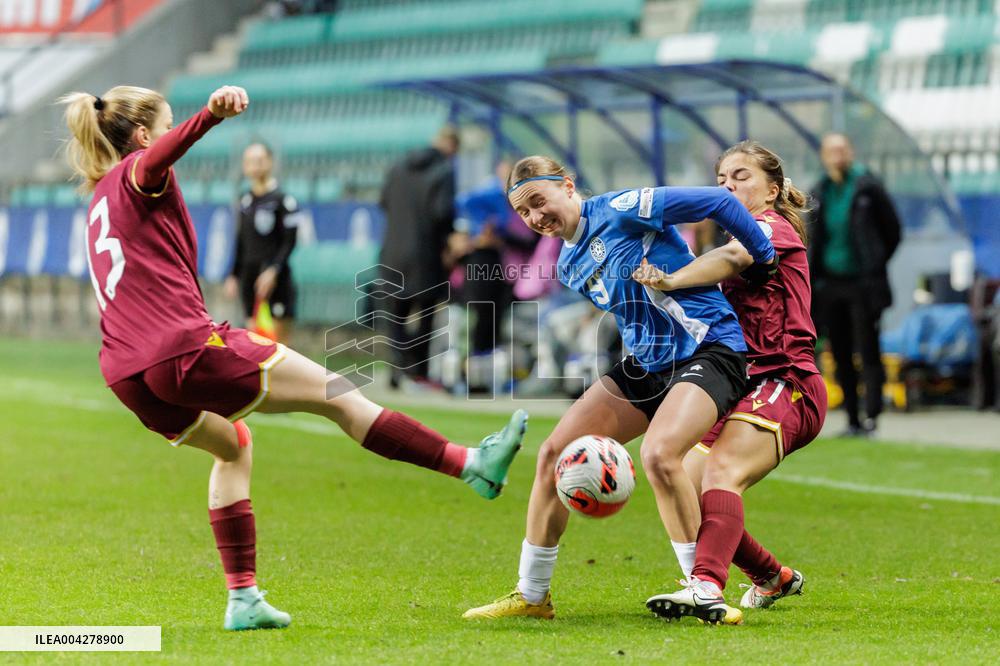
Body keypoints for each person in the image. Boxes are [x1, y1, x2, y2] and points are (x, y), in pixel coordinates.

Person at [61, 85, 527, 631]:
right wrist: (208, 116)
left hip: (127, 373)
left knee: (233, 445)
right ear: (141, 136)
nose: (164, 137)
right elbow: (157, 158)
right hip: (182, 347)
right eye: (163, 126)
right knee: (341, 395)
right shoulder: (140, 169)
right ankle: (471, 464)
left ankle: (243, 599)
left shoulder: (100, 199)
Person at [462, 156, 776, 620]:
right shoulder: (567, 264)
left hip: (709, 348)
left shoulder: (624, 207)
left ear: (567, 186)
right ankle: (532, 595)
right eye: (524, 213)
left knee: (659, 453)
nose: (534, 218)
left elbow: (716, 201)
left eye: (538, 202)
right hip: (647, 364)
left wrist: (762, 258)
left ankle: (703, 590)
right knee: (553, 453)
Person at [634, 141, 828, 624]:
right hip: (744, 386)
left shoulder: (771, 228)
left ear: (773, 189)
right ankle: (772, 577)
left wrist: (672, 280)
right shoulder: (720, 243)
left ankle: (705, 587)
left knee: (722, 473)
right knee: (687, 486)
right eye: (721, 180)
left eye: (741, 176)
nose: (727, 187)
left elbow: (736, 258)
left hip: (787, 381)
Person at [809, 133, 901, 436]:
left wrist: (874, 263)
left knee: (868, 348)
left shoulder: (868, 187)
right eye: (831, 150)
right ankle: (851, 419)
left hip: (863, 283)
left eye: (842, 149)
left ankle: (873, 416)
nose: (837, 155)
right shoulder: (820, 191)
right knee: (841, 351)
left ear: (850, 151)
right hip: (830, 285)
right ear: (823, 155)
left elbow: (892, 231)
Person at [377, 126, 459, 388]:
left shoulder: (398, 166)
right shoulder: (444, 171)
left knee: (396, 315)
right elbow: (442, 213)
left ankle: (398, 366)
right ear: (452, 148)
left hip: (392, 252)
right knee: (425, 316)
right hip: (426, 254)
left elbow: (383, 202)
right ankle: (417, 370)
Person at [224, 142, 298, 343]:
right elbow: (240, 240)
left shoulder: (284, 201)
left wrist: (274, 269)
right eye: (249, 162)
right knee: (254, 341)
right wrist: (233, 275)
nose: (254, 166)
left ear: (270, 163)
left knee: (280, 344)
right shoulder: (244, 200)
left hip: (277, 280)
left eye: (259, 160)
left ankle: (284, 375)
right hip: (250, 279)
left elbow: (290, 242)